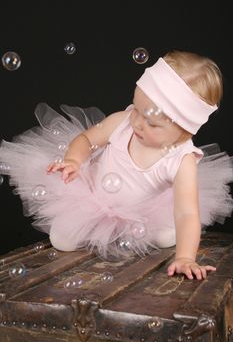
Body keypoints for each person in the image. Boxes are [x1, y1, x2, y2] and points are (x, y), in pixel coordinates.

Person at [0, 50, 233, 280]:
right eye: (137, 109)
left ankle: (159, 234)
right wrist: (74, 160)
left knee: (166, 236)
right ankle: (96, 227)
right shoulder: (123, 122)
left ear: (185, 130)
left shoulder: (181, 160)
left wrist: (185, 257)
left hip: (142, 213)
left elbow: (187, 213)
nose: (138, 123)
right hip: (93, 196)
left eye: (151, 123)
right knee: (62, 240)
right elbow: (86, 139)